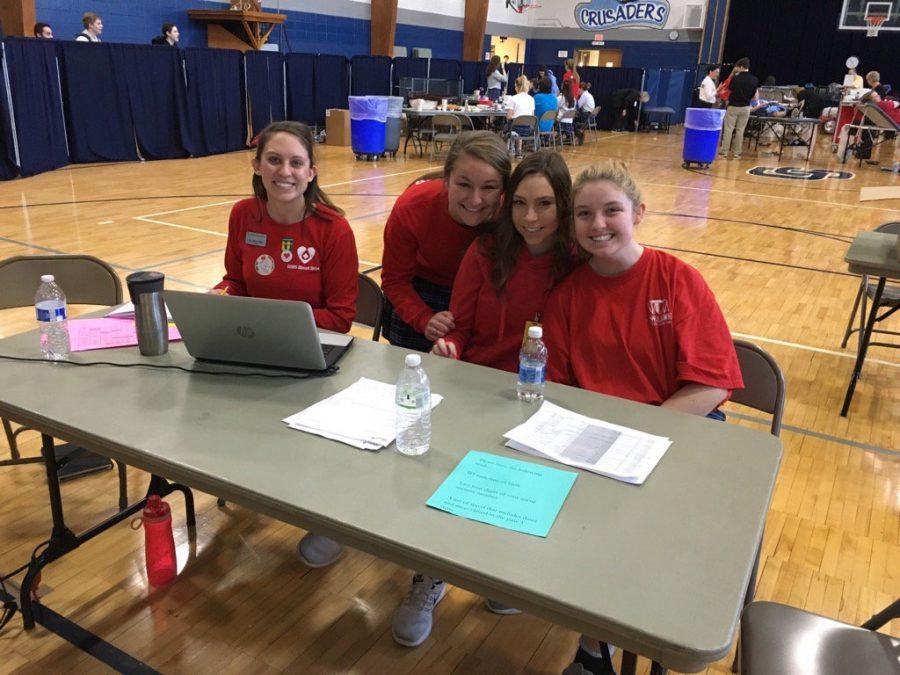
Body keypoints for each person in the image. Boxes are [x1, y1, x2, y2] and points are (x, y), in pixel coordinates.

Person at [548, 179, 742, 675]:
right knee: (575, 518)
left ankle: (635, 644)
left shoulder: (676, 279)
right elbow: (558, 387)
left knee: (655, 537)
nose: (597, 225)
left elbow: (710, 386)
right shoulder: (569, 294)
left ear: (638, 212)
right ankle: (596, 647)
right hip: (595, 439)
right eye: (584, 214)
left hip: (675, 430)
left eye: (611, 210)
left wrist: (636, 436)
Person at [432, 150, 577, 373]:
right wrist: (450, 347)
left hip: (539, 387)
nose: (530, 216)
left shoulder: (576, 263)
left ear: (564, 205)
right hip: (477, 378)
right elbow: (459, 330)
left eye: (544, 203)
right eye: (519, 203)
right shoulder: (485, 251)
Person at [211, 121, 359, 333]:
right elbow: (236, 282)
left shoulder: (335, 229)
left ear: (311, 173)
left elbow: (340, 318)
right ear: (257, 166)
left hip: (311, 345)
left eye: (297, 163)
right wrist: (219, 294)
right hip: (253, 337)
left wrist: (268, 319)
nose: (285, 171)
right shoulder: (243, 214)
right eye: (274, 160)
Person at [380, 131, 511, 353]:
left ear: (503, 189)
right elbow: (395, 281)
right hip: (424, 290)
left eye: (489, 187)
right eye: (464, 184)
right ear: (447, 180)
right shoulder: (412, 209)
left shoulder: (513, 215)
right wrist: (424, 319)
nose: (475, 199)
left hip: (486, 292)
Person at [719, 57, 759, 159]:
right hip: (745, 107)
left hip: (733, 106)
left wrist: (734, 74)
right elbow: (754, 95)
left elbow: (730, 89)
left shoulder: (735, 78)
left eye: (737, 67)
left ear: (741, 67)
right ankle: (737, 153)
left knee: (728, 129)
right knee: (740, 130)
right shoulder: (754, 80)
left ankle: (724, 151)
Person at [506, 74, 537, 157]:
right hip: (528, 130)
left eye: (515, 86)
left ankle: (508, 148)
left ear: (518, 87)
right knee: (519, 125)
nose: (515, 88)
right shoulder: (531, 99)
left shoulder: (513, 98)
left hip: (515, 129)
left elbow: (509, 117)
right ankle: (518, 150)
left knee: (510, 125)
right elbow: (532, 115)